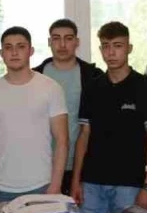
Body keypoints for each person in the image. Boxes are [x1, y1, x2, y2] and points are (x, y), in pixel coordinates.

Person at [71, 22, 147, 213]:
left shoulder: (146, 87)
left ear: (129, 48)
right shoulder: (92, 87)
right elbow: (84, 136)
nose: (111, 52)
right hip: (92, 183)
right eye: (106, 46)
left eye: (118, 46)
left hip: (129, 184)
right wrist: (76, 180)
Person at [0, 27, 68, 204]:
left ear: (30, 51)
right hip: (1, 188)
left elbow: (62, 141)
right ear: (2, 53)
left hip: (42, 186)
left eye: (21, 47)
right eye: (8, 47)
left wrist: (56, 185)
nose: (14, 52)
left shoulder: (51, 88)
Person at [35, 19, 104, 193]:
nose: (62, 44)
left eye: (68, 38)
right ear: (49, 42)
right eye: (56, 38)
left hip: (83, 165)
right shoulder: (34, 76)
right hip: (42, 164)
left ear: (77, 42)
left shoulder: (94, 76)